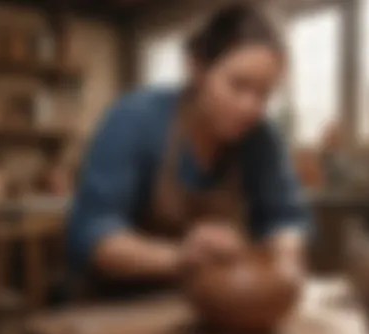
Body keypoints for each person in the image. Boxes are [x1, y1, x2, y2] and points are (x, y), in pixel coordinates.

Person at [67, 4, 309, 303]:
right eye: (238, 85)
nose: (251, 108)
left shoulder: (262, 138)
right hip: (113, 308)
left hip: (198, 305)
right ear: (196, 68)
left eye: (264, 93)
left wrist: (283, 260)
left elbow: (285, 220)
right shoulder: (135, 119)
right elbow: (92, 236)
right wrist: (181, 257)